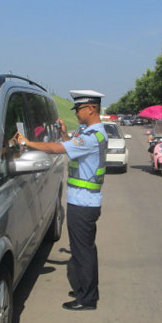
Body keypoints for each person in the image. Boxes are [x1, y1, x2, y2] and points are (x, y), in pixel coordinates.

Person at [14, 89, 107, 311]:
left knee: (83, 251)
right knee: (82, 250)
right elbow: (72, 150)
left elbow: (57, 149)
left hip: (83, 203)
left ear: (91, 109)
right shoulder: (93, 134)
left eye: (79, 109)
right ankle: (86, 289)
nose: (76, 113)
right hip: (85, 201)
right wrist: (65, 134)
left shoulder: (90, 137)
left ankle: (87, 299)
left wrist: (27, 142)